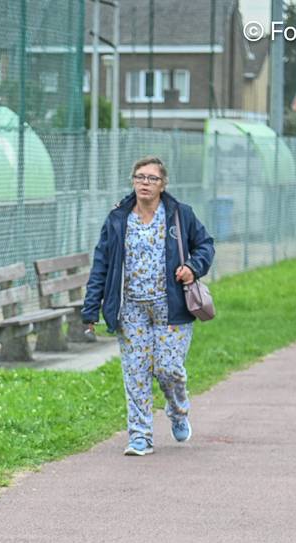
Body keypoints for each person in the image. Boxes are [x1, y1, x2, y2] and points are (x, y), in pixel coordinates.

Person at [81, 156, 214, 456]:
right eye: (140, 177)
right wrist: (91, 309)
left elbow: (205, 245)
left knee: (169, 369)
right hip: (131, 309)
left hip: (172, 307)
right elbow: (101, 264)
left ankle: (178, 411)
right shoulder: (118, 219)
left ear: (163, 184)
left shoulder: (180, 215)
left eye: (152, 178)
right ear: (133, 181)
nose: (145, 182)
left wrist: (193, 266)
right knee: (136, 372)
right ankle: (140, 436)